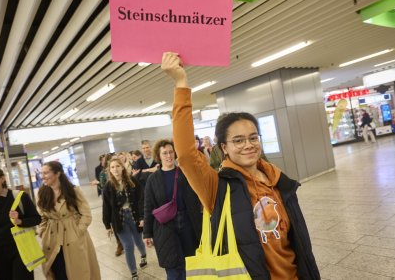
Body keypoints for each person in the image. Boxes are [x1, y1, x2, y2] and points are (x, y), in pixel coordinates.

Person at [162, 52, 320, 280]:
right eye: (238, 140)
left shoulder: (279, 181)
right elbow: (186, 154)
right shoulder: (218, 186)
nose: (248, 145)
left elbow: (298, 244)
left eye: (253, 137)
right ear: (224, 147)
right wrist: (181, 84)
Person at [143, 139, 202, 280]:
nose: (168, 156)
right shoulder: (153, 179)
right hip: (165, 227)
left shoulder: (185, 173)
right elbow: (148, 206)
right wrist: (147, 233)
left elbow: (197, 196)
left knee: (191, 264)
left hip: (188, 223)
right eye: (165, 153)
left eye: (171, 152)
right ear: (159, 155)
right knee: (173, 268)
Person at [37, 161, 100, 280]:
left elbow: (86, 214)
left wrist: (78, 232)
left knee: (76, 272)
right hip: (52, 238)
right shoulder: (42, 193)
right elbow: (42, 217)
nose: (42, 176)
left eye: (46, 173)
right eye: (42, 173)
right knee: (57, 271)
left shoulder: (73, 190)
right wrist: (43, 231)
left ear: (57, 173)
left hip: (72, 236)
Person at [0, 166, 41, 280]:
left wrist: (19, 221)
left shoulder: (19, 197)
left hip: (21, 251)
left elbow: (36, 219)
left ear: (2, 179)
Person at [102, 158, 147, 280]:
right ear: (109, 170)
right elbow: (106, 207)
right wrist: (107, 225)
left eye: (117, 166)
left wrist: (143, 217)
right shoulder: (108, 187)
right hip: (119, 220)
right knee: (128, 245)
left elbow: (141, 199)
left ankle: (143, 255)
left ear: (122, 167)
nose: (115, 169)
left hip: (134, 216)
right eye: (112, 167)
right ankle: (134, 273)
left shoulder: (132, 181)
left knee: (138, 241)